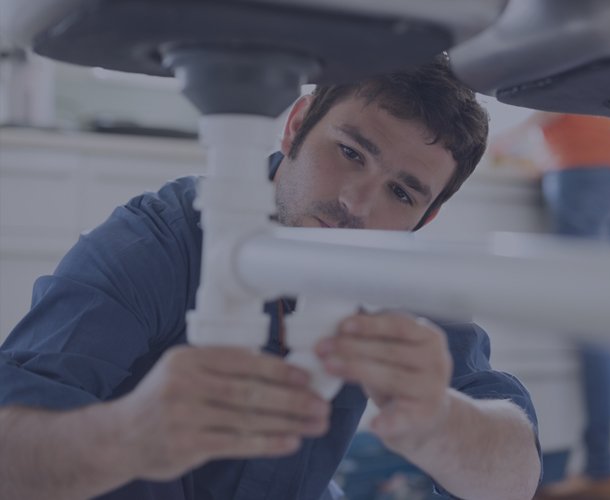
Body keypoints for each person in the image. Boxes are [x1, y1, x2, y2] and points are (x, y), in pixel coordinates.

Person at [0, 55, 542, 500]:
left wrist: (440, 417)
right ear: (296, 124)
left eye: (402, 193)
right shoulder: (159, 242)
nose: (356, 203)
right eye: (350, 152)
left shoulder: (396, 277)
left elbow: (516, 478)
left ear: (426, 219)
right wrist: (127, 439)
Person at [491, 112, 610, 500]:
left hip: (582, 168)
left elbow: (544, 105)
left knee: (594, 326)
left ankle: (600, 471)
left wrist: (498, 140)